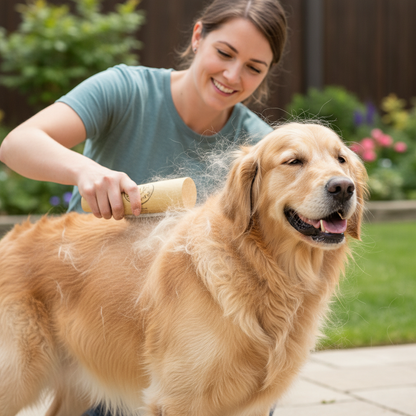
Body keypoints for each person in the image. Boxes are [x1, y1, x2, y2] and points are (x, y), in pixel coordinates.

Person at [0, 0, 286, 414]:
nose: (232, 75)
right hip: (98, 312)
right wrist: (85, 170)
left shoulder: (257, 151)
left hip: (182, 336)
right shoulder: (126, 89)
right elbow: (17, 145)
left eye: (253, 68)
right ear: (197, 37)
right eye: (224, 53)